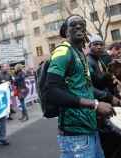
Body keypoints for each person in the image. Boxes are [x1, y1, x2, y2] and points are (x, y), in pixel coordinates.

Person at [45, 15, 115, 158]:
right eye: (73, 24)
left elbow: (85, 88)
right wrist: (95, 105)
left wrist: (108, 97)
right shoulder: (63, 51)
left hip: (90, 129)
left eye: (82, 24)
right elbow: (51, 91)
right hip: (75, 136)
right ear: (65, 31)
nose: (78, 26)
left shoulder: (80, 53)